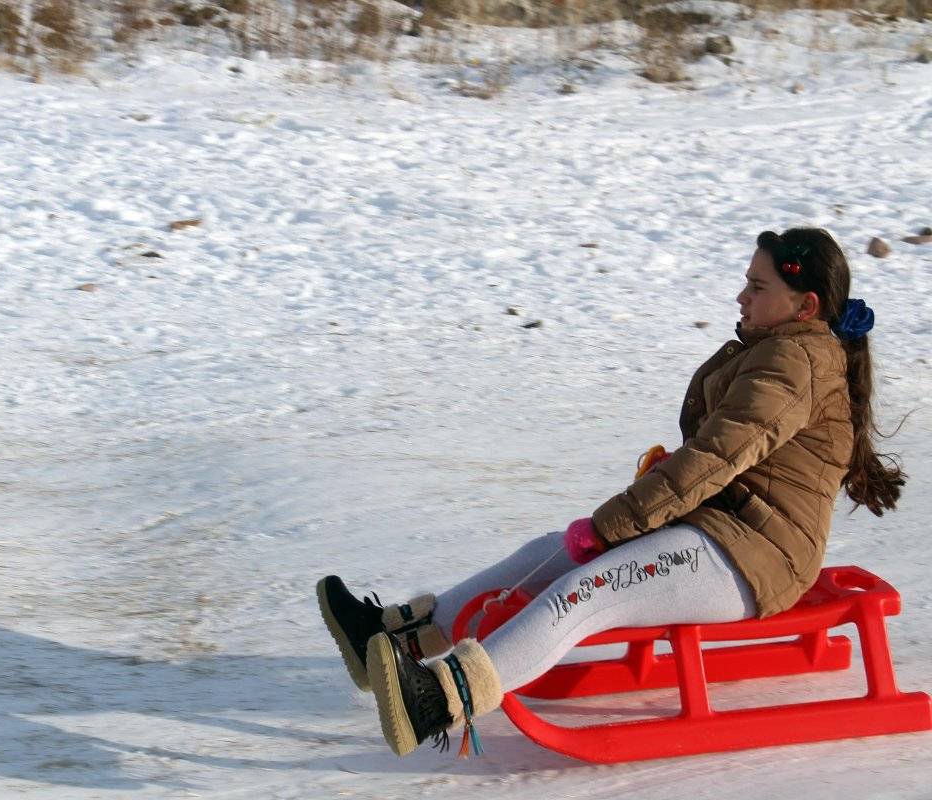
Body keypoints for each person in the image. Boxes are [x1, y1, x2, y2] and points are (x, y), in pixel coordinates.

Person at [316, 227, 905, 758]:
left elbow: (717, 457)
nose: (741, 297)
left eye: (757, 285)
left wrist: (613, 525)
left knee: (588, 590)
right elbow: (730, 458)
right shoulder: (784, 351)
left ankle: (439, 701)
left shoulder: (794, 360)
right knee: (550, 551)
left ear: (805, 305)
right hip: (721, 530)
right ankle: (396, 638)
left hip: (756, 557)